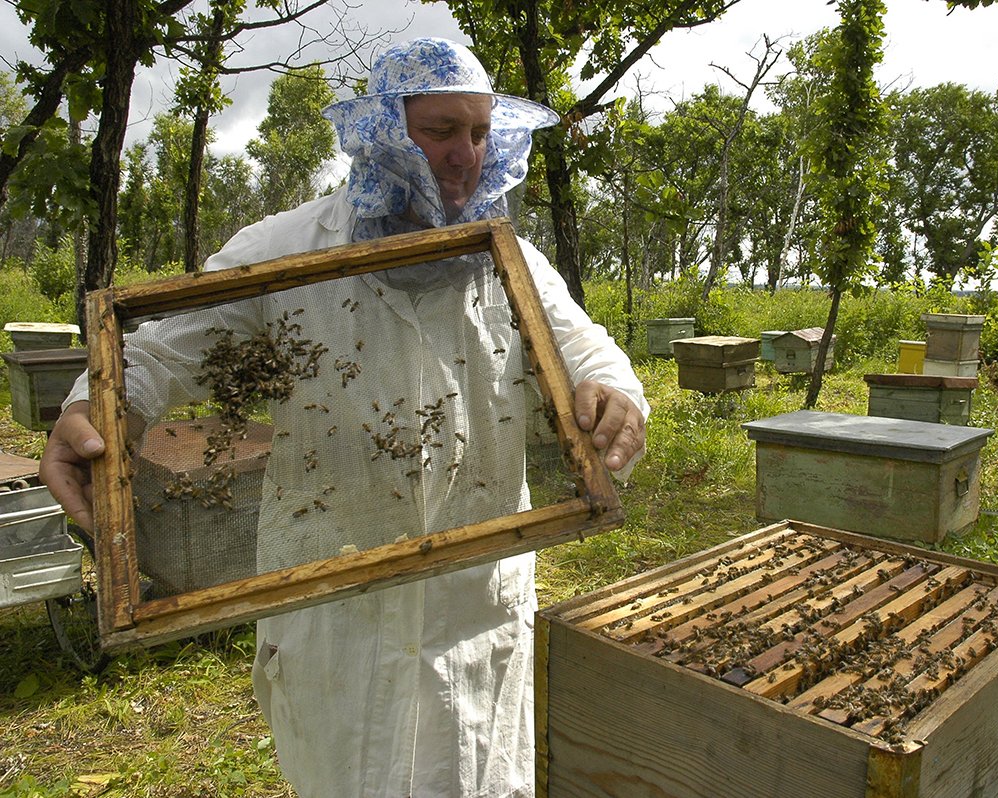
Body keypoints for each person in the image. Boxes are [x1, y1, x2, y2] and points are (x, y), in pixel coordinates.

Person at [39, 37, 648, 798]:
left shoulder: (511, 260)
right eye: (440, 131)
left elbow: (587, 353)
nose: (465, 155)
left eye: (480, 132)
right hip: (335, 610)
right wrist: (93, 409)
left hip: (476, 608)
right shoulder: (284, 248)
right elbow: (157, 353)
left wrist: (614, 396)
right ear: (382, 134)